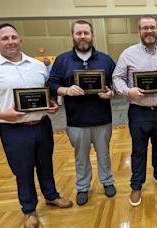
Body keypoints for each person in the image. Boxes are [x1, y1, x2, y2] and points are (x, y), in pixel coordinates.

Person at [0, 23, 73, 228]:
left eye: (14, 37)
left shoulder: (37, 65)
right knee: (22, 170)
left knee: (45, 164)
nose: (10, 42)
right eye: (5, 38)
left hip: (42, 125)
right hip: (13, 129)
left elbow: (45, 93)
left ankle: (51, 195)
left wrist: (50, 105)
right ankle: (29, 209)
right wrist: (1, 113)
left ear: (20, 40)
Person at [47, 20, 116, 206]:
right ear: (73, 36)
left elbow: (116, 83)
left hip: (102, 118)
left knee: (104, 154)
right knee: (81, 156)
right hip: (76, 120)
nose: (83, 36)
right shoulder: (62, 60)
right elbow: (52, 84)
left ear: (92, 35)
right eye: (79, 33)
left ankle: (107, 181)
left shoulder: (105, 59)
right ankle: (83, 186)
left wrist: (111, 93)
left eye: (86, 32)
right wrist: (66, 90)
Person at [113, 15, 157, 207]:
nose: (149, 31)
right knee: (138, 151)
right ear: (139, 31)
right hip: (139, 112)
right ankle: (136, 185)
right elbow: (117, 78)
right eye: (145, 28)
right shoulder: (128, 54)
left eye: (152, 27)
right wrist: (127, 91)